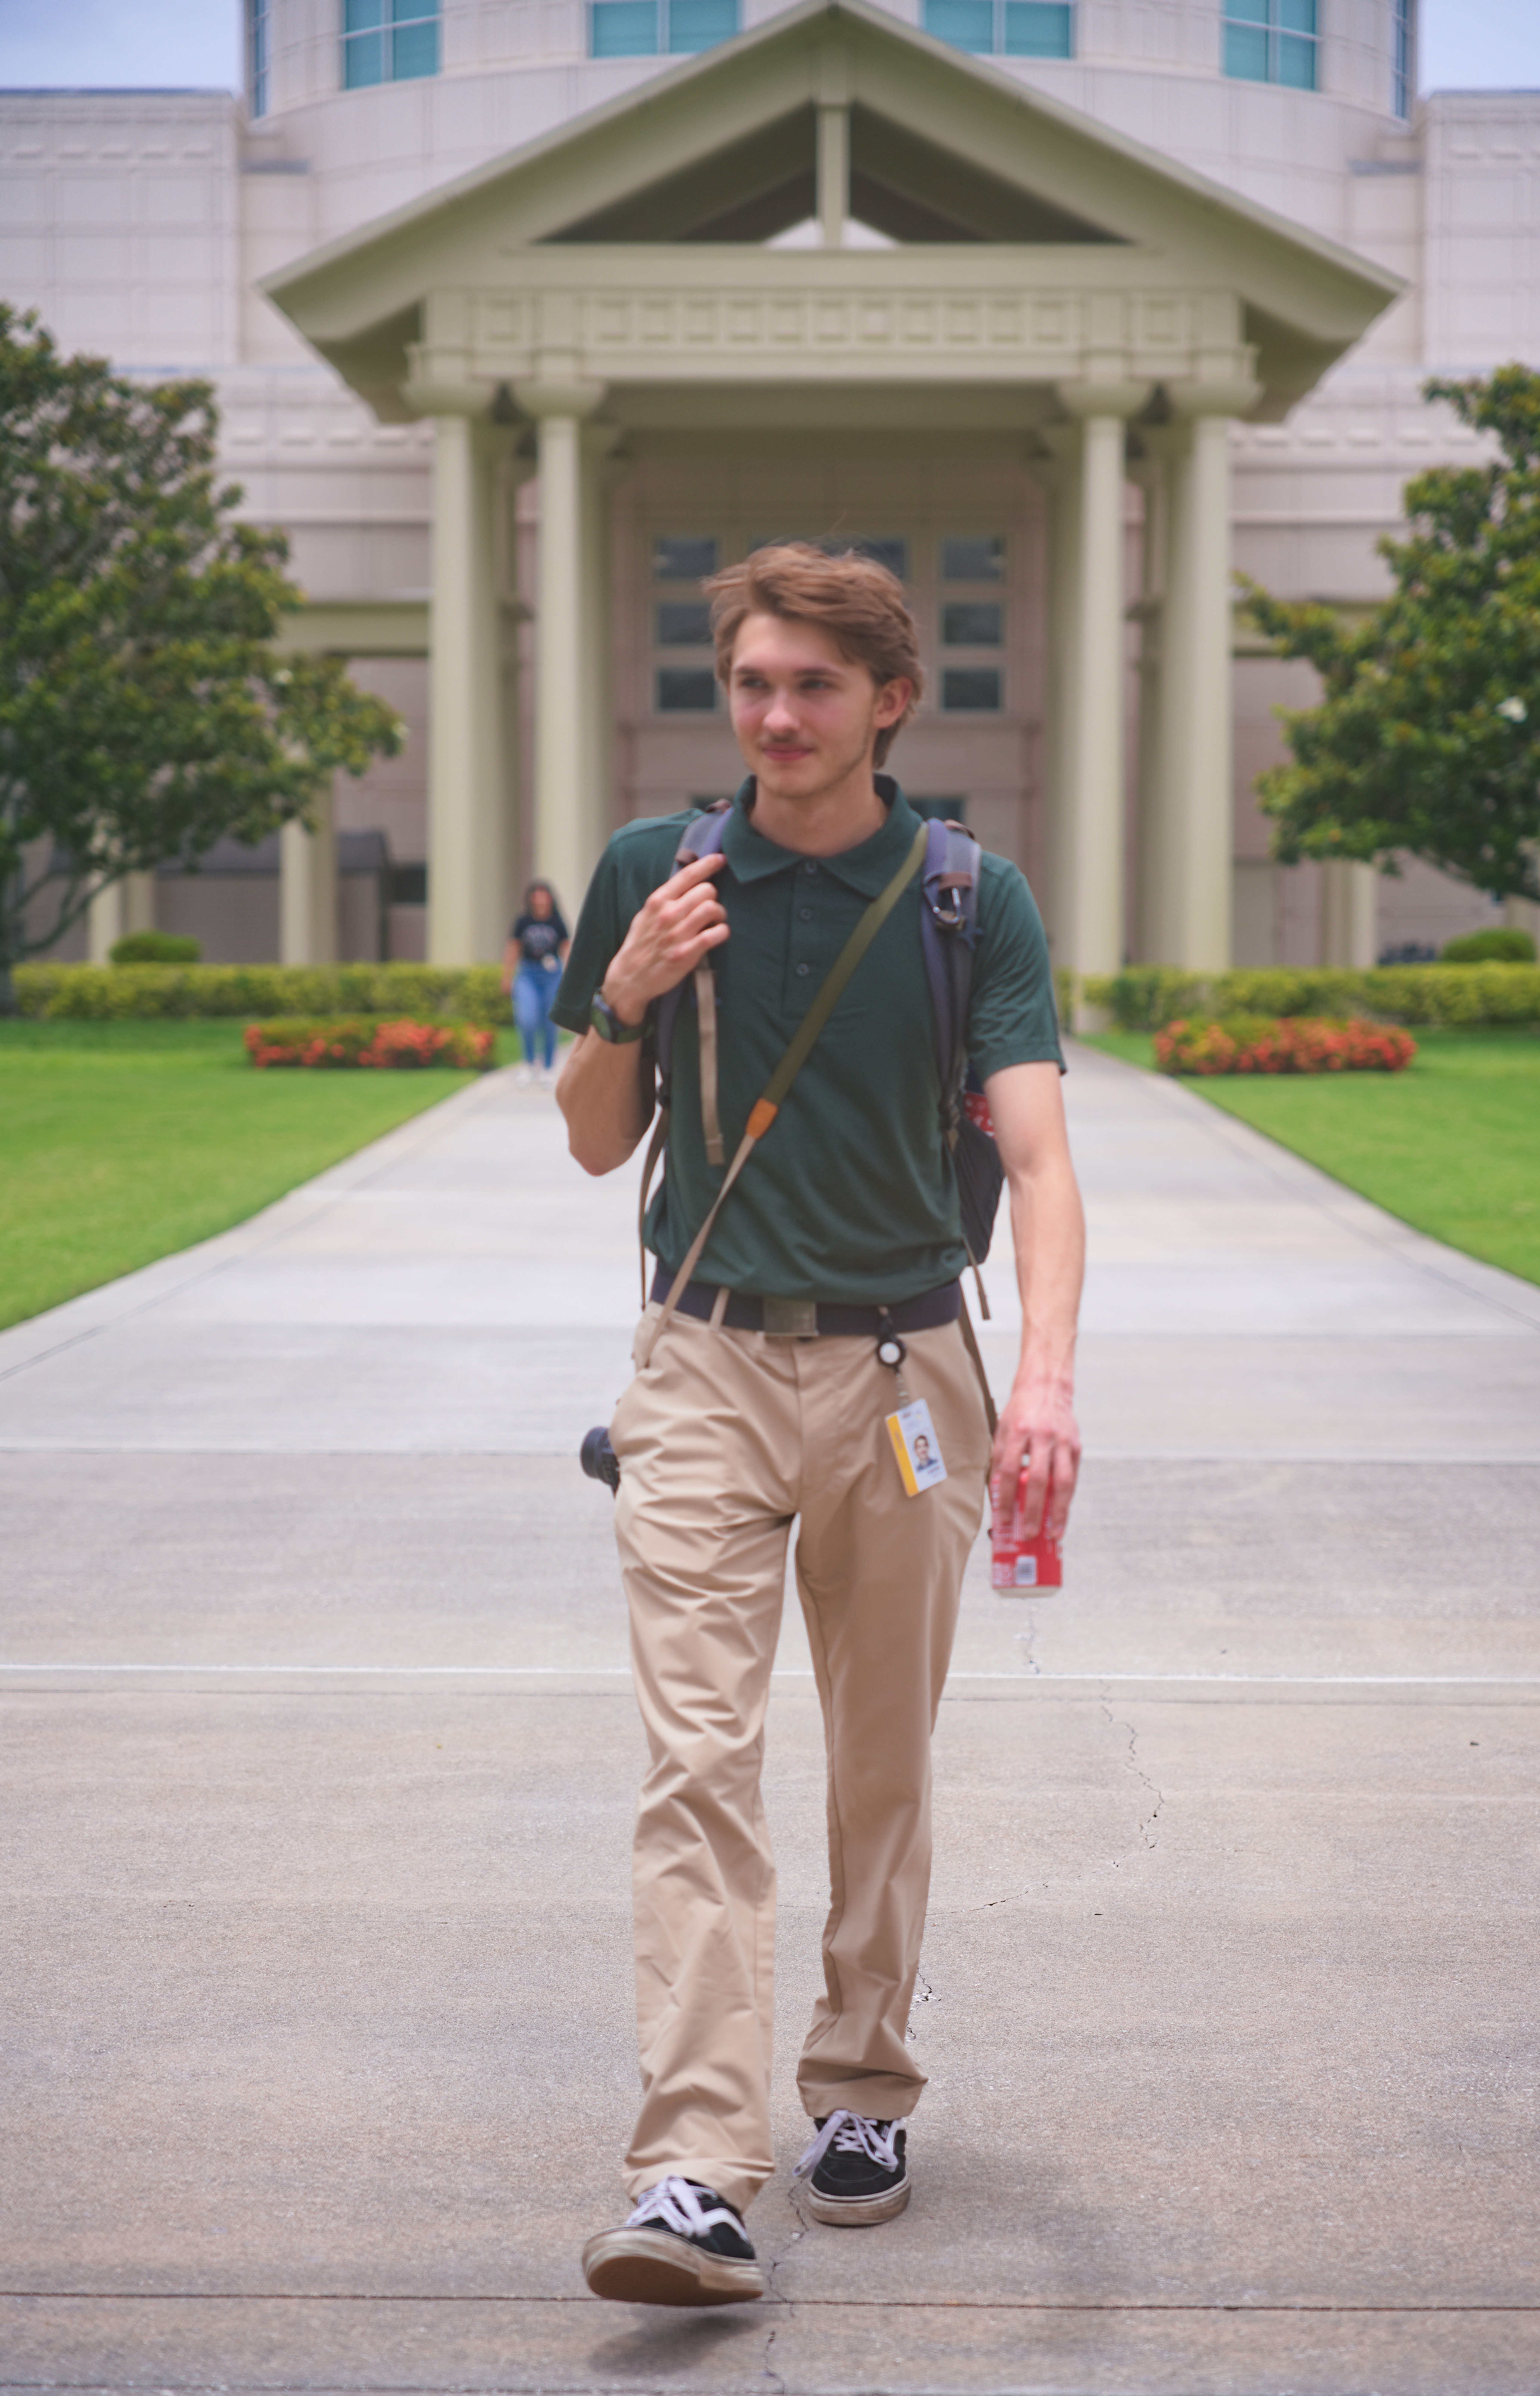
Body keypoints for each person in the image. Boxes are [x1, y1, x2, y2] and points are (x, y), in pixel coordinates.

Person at [553, 544, 1085, 2308]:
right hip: (700, 1363)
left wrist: (1045, 1383)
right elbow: (590, 1137)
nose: (776, 716)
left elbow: (1038, 1160)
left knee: (878, 1762)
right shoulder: (657, 871)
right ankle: (696, 2167)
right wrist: (626, 987)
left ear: (889, 702)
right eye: (752, 683)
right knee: (696, 1765)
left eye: (812, 686)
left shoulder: (966, 900)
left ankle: (862, 2082)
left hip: (901, 1378)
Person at [502, 880, 569, 1085]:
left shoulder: (558, 922)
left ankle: (548, 1067)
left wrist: (571, 979)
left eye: (544, 894)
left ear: (550, 898)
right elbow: (513, 949)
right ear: (530, 899)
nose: (540, 899)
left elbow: (567, 950)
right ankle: (529, 1064)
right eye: (536, 894)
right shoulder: (523, 922)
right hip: (528, 974)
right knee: (527, 1020)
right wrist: (507, 977)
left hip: (552, 975)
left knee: (550, 1022)